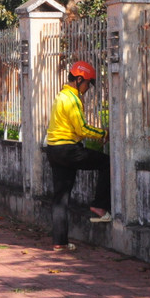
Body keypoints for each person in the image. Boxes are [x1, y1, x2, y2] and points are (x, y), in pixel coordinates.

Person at [44, 61, 111, 251]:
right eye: (88, 83)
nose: (88, 88)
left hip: (54, 150)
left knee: (60, 198)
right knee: (106, 163)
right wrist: (103, 134)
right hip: (68, 150)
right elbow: (81, 128)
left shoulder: (60, 96)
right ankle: (99, 205)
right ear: (79, 79)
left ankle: (60, 242)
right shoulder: (72, 99)